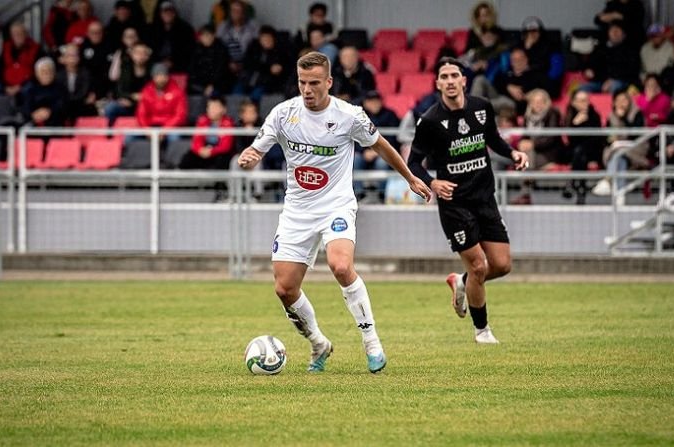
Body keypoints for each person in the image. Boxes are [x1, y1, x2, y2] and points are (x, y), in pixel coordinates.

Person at [236, 51, 431, 373]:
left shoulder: (349, 116)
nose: (307, 89)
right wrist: (251, 155)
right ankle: (318, 343)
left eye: (314, 83)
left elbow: (381, 145)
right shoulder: (283, 114)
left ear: (329, 82)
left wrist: (410, 178)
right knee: (284, 288)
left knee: (341, 266)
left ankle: (371, 342)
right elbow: (258, 146)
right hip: (297, 210)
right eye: (302, 82)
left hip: (336, 205)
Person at [407, 57, 529, 344]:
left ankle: (460, 281)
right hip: (455, 204)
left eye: (454, 75)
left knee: (501, 265)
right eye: (444, 77)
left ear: (463, 80)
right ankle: (482, 330)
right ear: (438, 84)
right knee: (478, 266)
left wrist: (513, 153)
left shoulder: (482, 107)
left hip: (485, 197)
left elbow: (493, 139)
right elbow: (413, 163)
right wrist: (433, 182)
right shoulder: (430, 121)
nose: (450, 81)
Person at [180, 95, 235, 169]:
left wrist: (212, 151)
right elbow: (196, 141)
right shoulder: (202, 121)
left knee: (223, 159)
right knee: (188, 158)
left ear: (224, 109)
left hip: (219, 153)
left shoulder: (228, 123)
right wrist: (200, 150)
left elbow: (226, 146)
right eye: (209, 107)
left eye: (215, 107)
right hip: (204, 150)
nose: (211, 110)